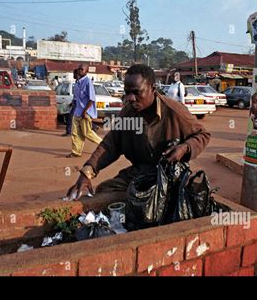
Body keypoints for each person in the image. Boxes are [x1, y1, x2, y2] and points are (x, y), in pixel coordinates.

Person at [66, 64, 211, 200]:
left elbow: (203, 135)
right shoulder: (127, 112)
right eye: (127, 92)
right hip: (140, 172)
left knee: (173, 201)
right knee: (105, 190)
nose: (130, 98)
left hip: (169, 175)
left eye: (136, 92)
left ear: (153, 89)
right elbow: (110, 144)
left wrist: (184, 148)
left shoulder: (174, 111)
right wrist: (88, 171)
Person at [66, 64, 102, 158]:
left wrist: (85, 112)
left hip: (85, 113)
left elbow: (91, 99)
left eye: (82, 69)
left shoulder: (87, 82)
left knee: (87, 133)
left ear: (86, 71)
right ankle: (76, 152)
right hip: (77, 112)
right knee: (75, 133)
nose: (79, 71)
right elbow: (77, 98)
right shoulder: (77, 82)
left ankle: (104, 145)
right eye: (79, 69)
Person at [62, 69, 79, 137]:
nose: (73, 75)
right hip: (75, 102)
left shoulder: (80, 83)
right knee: (79, 118)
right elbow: (75, 95)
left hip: (78, 103)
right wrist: (72, 102)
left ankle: (68, 131)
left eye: (74, 74)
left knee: (71, 117)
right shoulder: (77, 82)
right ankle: (94, 126)